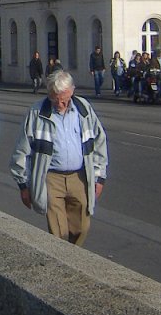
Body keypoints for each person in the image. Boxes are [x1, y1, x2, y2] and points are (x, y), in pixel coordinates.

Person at [9, 70, 108, 246]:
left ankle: (72, 257)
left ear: (72, 91)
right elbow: (22, 150)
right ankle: (64, 263)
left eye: (64, 98)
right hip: (51, 178)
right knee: (58, 233)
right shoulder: (37, 113)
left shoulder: (83, 109)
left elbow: (99, 142)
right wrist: (23, 185)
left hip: (79, 177)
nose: (60, 104)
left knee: (81, 227)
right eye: (56, 99)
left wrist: (99, 177)